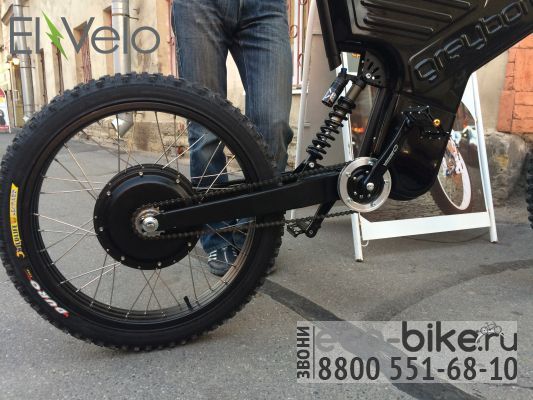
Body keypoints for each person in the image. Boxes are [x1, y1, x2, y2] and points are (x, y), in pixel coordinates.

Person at [172, 0, 294, 276]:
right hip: (199, 5)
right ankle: (217, 236)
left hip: (266, 7)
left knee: (273, 125)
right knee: (206, 131)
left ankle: (253, 233)